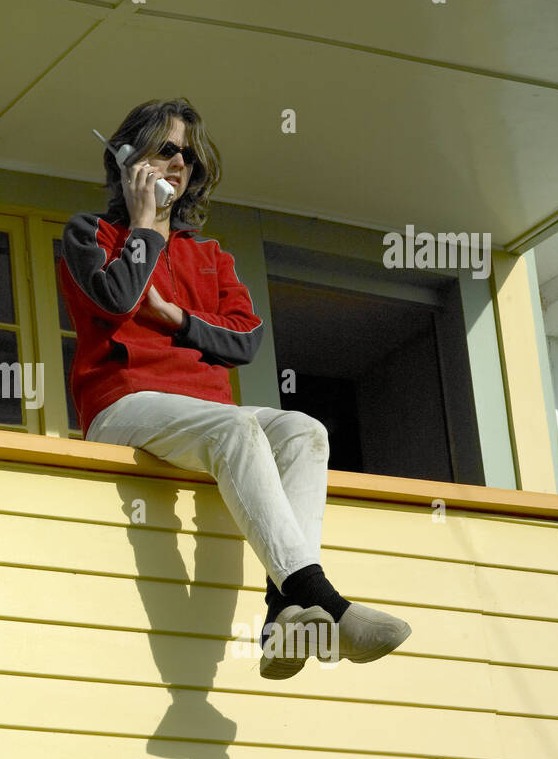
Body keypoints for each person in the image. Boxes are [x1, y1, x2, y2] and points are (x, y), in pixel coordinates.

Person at [58, 98, 410, 680]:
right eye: (165, 148)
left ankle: (283, 615)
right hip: (121, 405)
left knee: (305, 430)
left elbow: (244, 338)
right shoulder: (88, 234)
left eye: (188, 157)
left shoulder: (210, 256)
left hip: (205, 418)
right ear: (128, 154)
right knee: (240, 426)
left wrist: (177, 321)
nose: (178, 163)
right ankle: (327, 603)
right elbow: (116, 298)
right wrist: (143, 226)